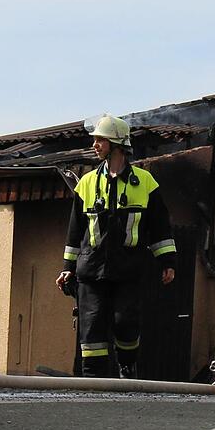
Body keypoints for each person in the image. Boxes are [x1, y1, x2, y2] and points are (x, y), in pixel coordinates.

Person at [55, 113, 176, 378]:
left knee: (126, 322)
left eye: (100, 140)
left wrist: (167, 262)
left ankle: (126, 364)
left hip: (129, 270)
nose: (94, 145)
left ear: (117, 144)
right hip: (91, 271)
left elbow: (159, 226)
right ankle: (93, 380)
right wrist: (68, 267)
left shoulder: (145, 182)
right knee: (92, 329)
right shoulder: (86, 183)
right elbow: (75, 231)